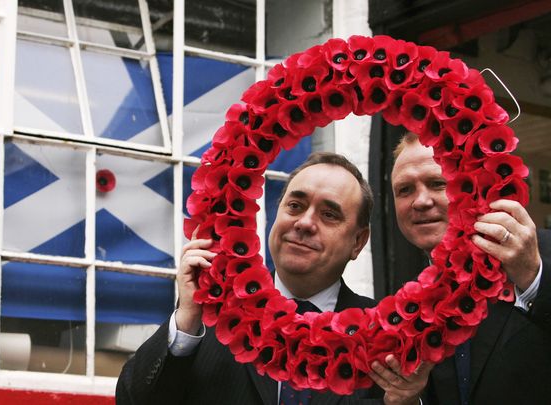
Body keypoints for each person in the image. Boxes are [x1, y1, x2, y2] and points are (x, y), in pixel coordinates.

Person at [116, 152, 424, 405]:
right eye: (295, 205)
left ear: (358, 242)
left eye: (329, 214)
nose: (304, 223)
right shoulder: (210, 320)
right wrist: (185, 321)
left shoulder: (384, 338)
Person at [384, 133, 551, 404]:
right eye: (405, 190)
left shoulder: (540, 255)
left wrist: (533, 279)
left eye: (436, 184)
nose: (420, 201)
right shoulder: (412, 302)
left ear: (469, 188)